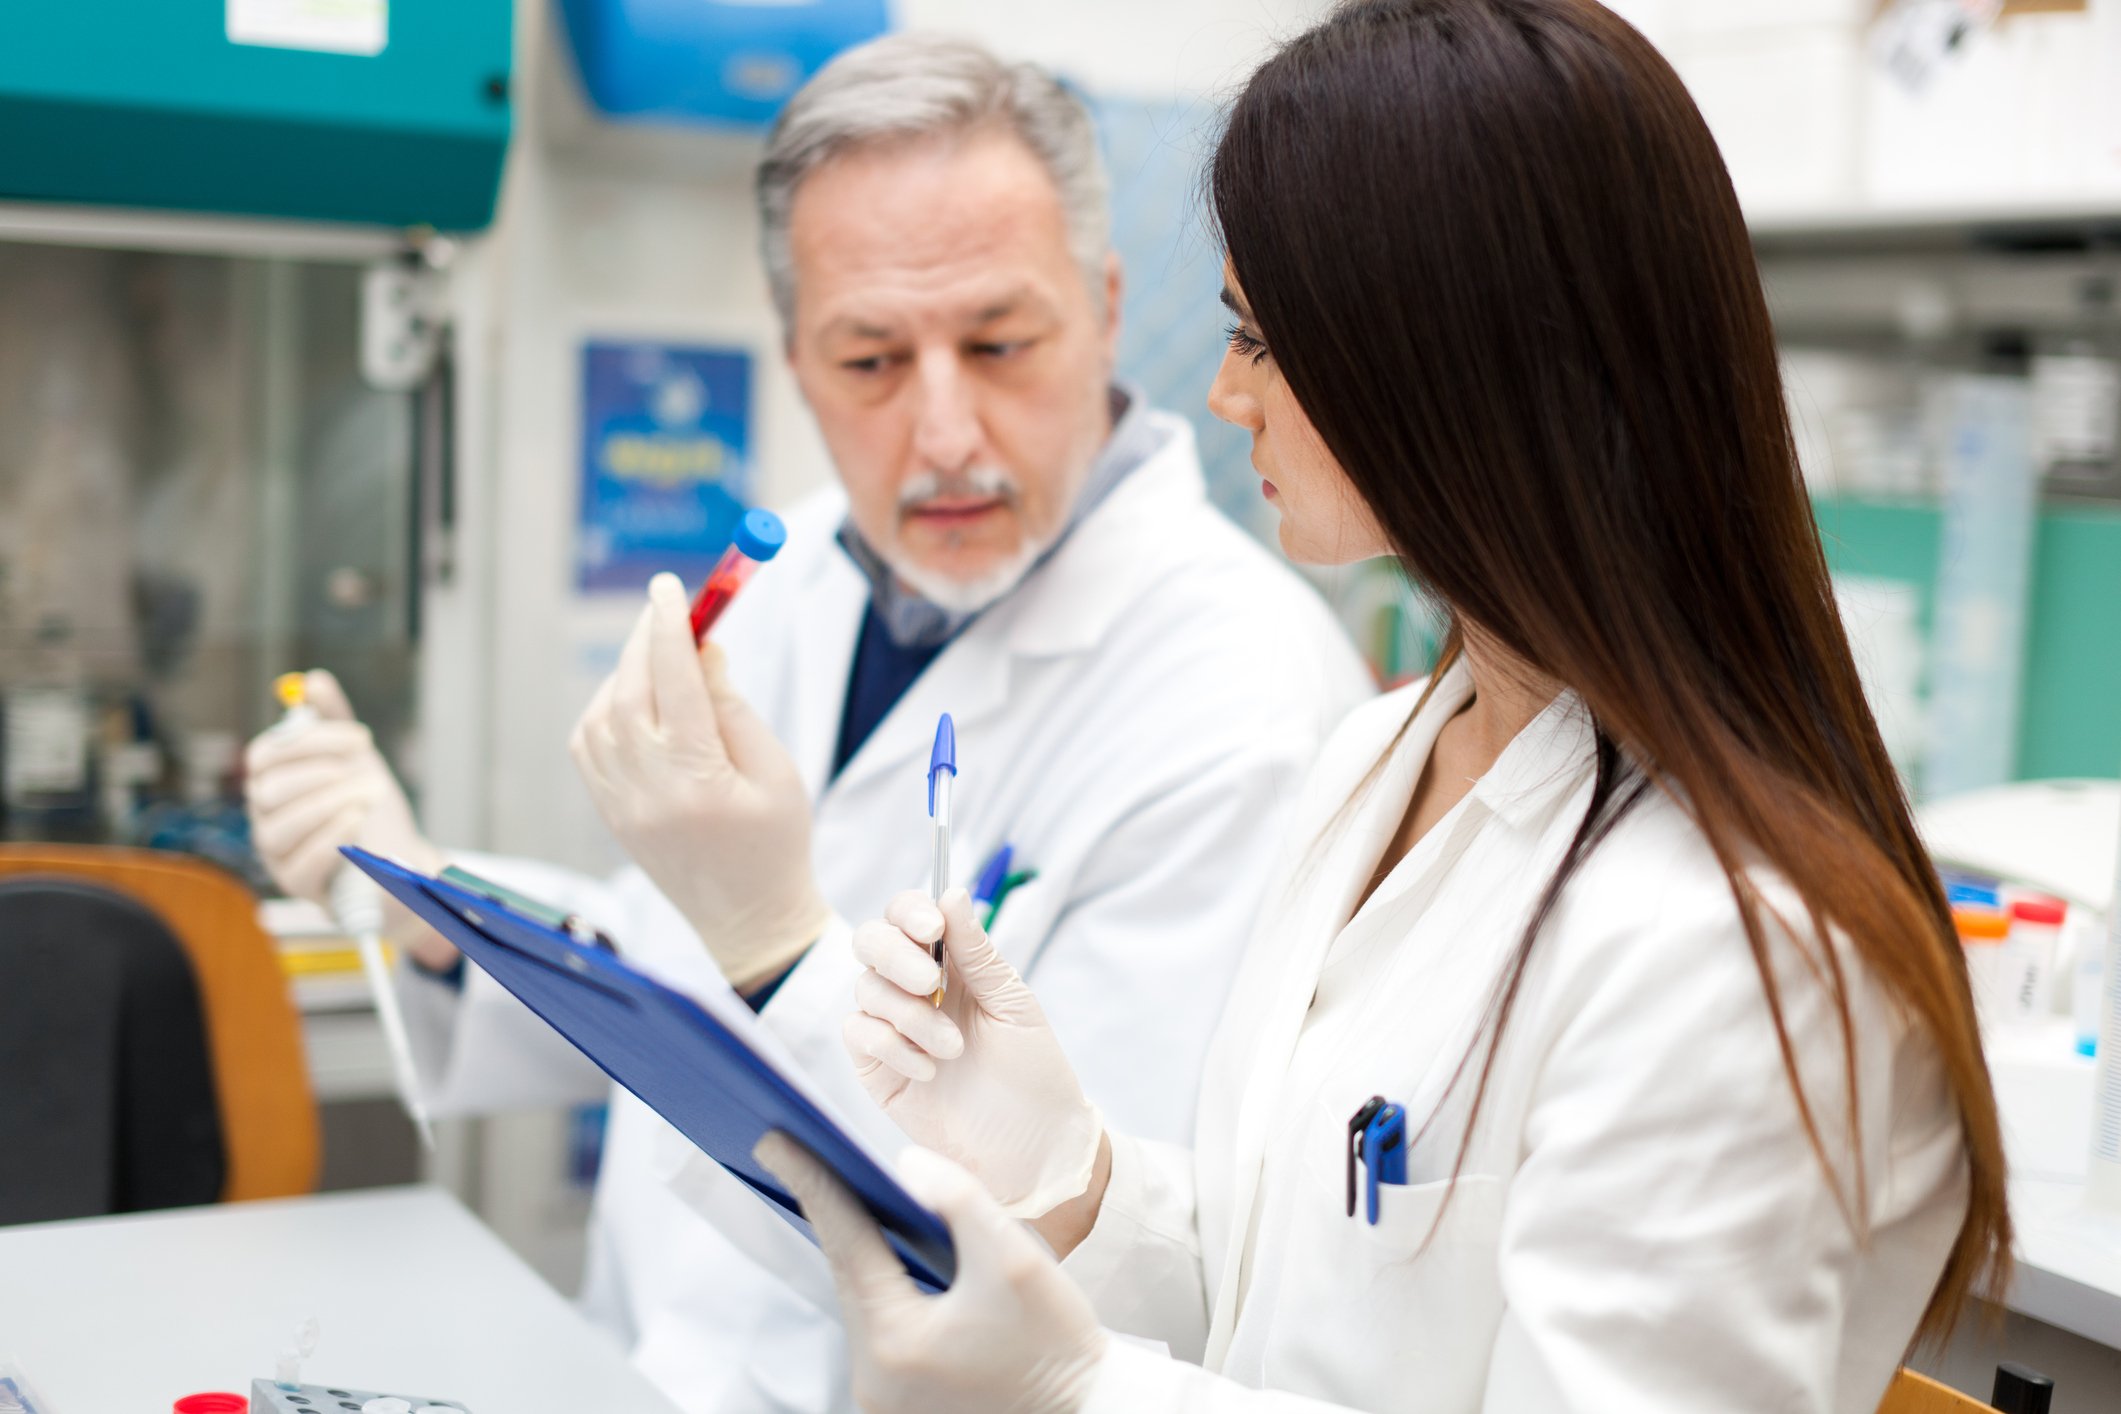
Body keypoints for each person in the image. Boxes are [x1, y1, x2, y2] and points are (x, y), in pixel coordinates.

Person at [752, 3, 2013, 1411]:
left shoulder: (1735, 949)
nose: (1227, 393)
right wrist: (1070, 1175)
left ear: (1455, 364)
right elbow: (1272, 1307)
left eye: (1263, 339)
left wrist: (1074, 1384)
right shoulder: (1384, 754)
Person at [241, 33, 1372, 1414]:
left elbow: (1119, 1273)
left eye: (999, 342)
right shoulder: (802, 575)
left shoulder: (1238, 688)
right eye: (871, 359)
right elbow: (672, 976)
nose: (945, 429)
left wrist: (775, 942)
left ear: (1107, 305)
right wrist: (430, 896)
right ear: (792, 355)